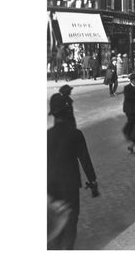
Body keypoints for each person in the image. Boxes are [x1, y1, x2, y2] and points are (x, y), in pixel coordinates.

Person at [47, 95, 98, 249]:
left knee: (54, 224)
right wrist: (93, 182)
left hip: (50, 186)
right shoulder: (75, 134)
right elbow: (85, 161)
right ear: (68, 111)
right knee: (70, 224)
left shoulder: (46, 136)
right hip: (69, 186)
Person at [122, 73, 135, 140]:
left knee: (134, 121)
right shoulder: (126, 88)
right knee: (131, 121)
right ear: (131, 81)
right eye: (134, 80)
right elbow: (127, 97)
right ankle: (126, 132)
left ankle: (131, 133)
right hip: (128, 108)